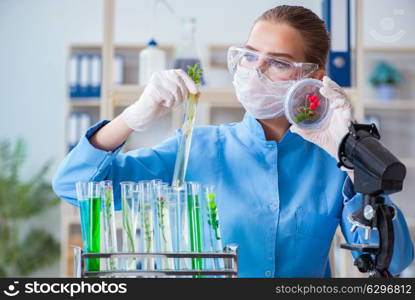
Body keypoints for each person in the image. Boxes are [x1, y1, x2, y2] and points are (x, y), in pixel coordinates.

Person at [53, 5, 413, 277]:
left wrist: (352, 157)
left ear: (314, 78)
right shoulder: (194, 148)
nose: (256, 69)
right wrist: (130, 118)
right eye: (250, 54)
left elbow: (393, 263)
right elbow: (72, 186)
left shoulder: (331, 164)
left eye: (278, 63)